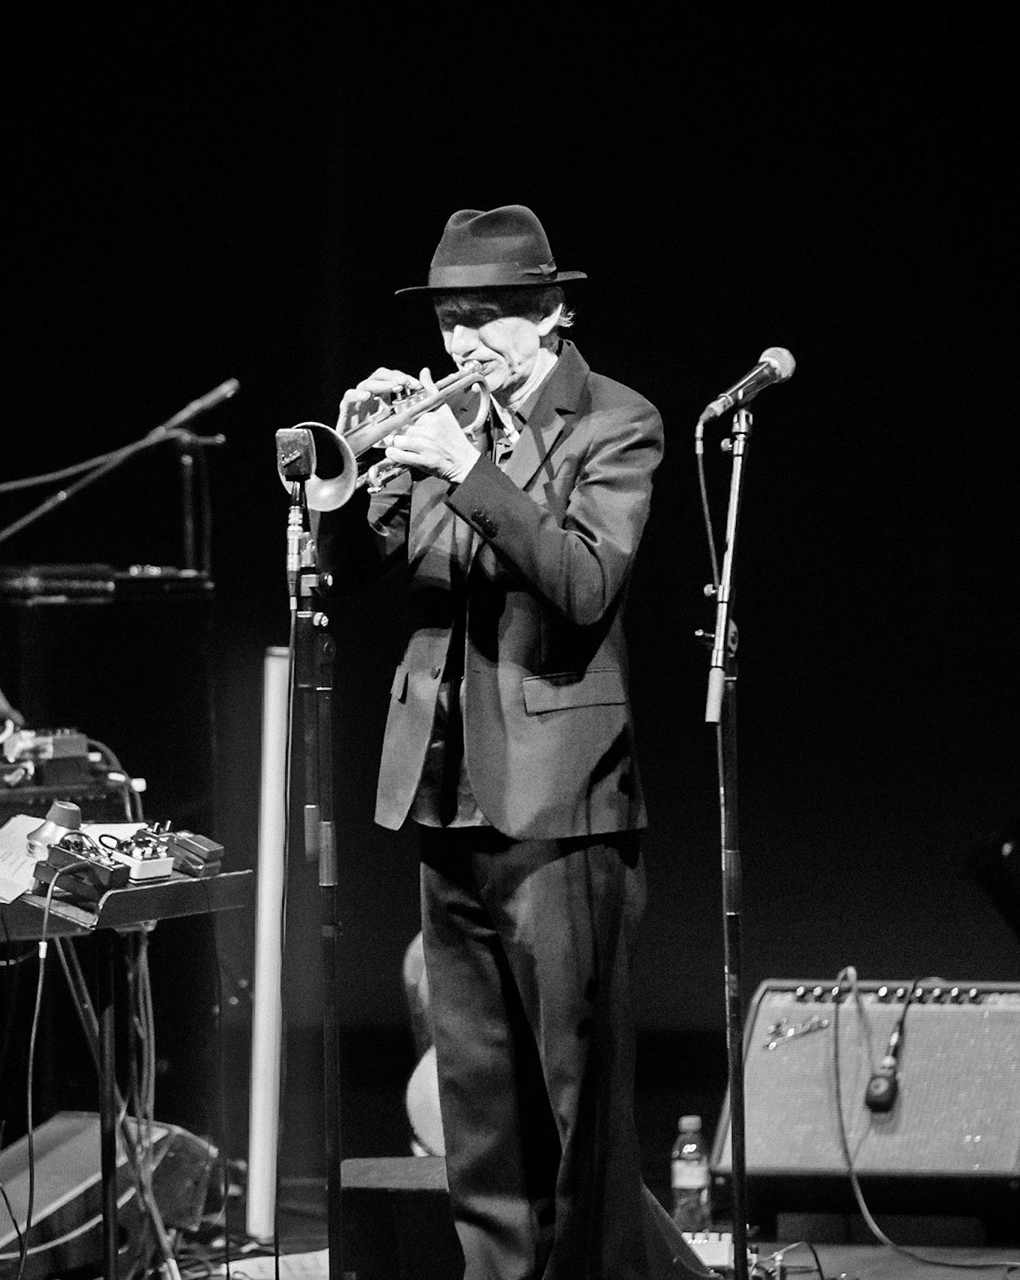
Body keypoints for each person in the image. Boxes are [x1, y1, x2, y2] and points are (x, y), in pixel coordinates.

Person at [316, 207, 665, 1279]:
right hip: (444, 798)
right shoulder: (437, 425)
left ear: (556, 312)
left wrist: (469, 464)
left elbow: (583, 582)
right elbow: (355, 571)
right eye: (451, 319)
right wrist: (344, 473)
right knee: (480, 1113)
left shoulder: (616, 421)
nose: (465, 341)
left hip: (563, 809)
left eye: (493, 316)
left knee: (577, 1107)